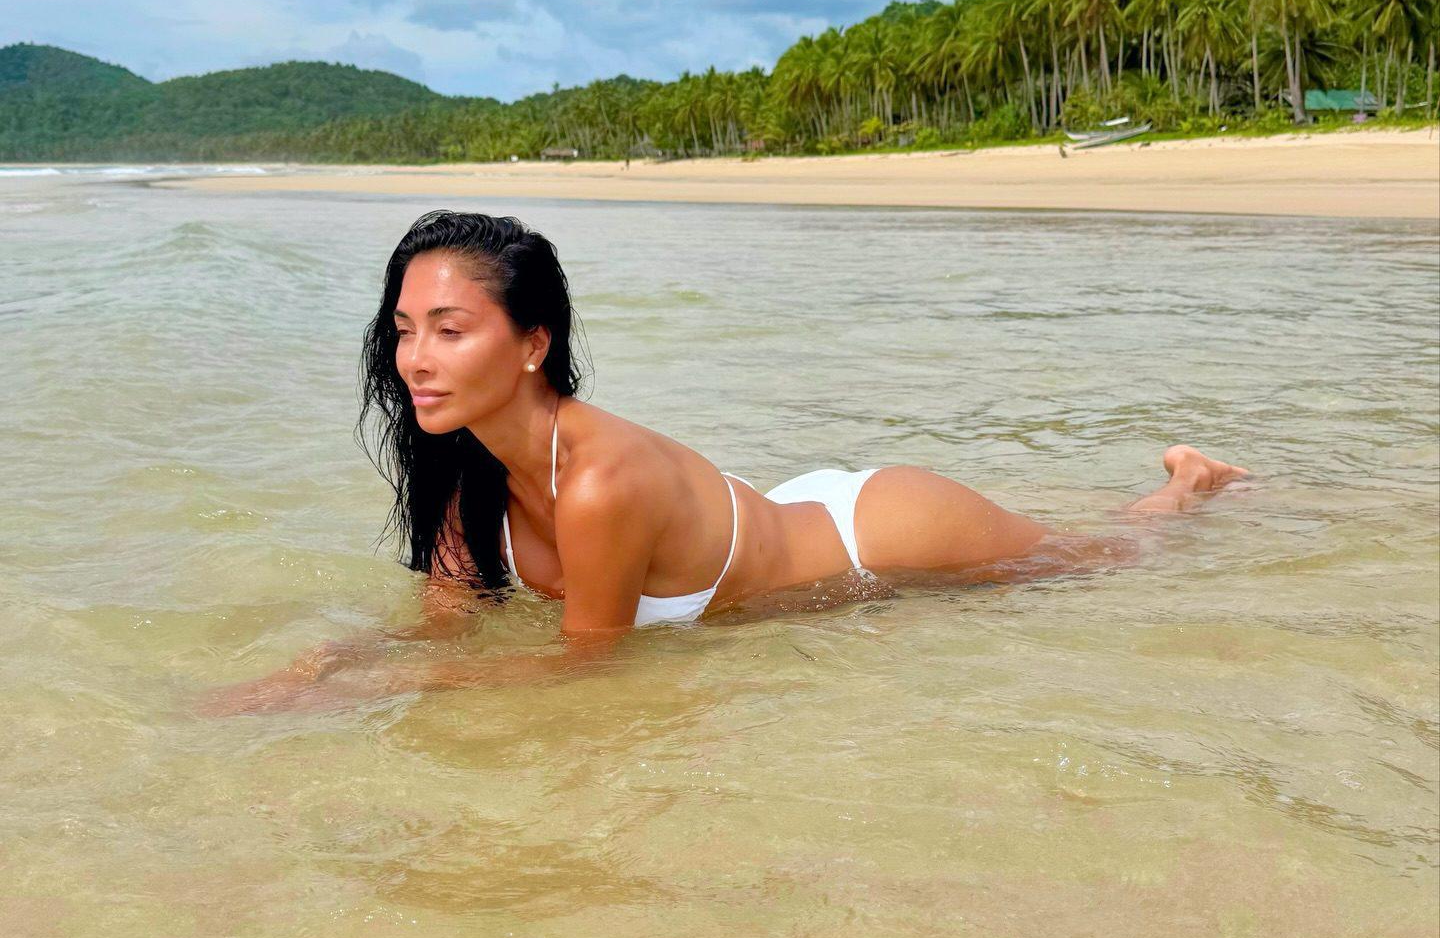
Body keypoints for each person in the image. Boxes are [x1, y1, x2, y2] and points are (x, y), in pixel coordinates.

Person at [203, 209, 1250, 714]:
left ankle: (1184, 486)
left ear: (531, 345)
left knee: (1100, 561)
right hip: (771, 522)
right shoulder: (465, 475)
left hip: (874, 535)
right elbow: (443, 626)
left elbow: (587, 667)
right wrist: (325, 663)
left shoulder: (598, 482)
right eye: (403, 331)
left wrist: (384, 691)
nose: (415, 360)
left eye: (448, 330)